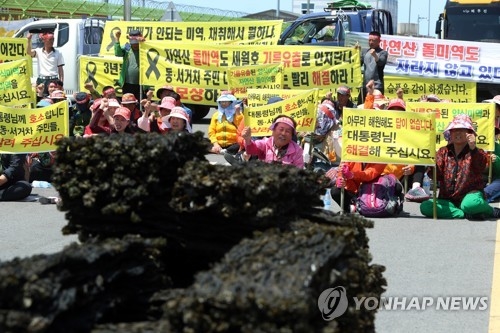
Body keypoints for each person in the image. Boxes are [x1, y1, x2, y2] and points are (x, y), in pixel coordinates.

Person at [420, 114, 500, 220]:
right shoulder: (442, 152)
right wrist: (431, 163)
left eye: (462, 130)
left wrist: (473, 148)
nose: (458, 133)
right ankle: (463, 213)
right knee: (425, 206)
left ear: (469, 133)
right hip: (447, 199)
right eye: (454, 130)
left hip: (470, 196)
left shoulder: (476, 151)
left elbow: (481, 166)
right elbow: (435, 176)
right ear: (450, 133)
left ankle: (491, 211)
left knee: (471, 204)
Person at [27, 31, 64, 97]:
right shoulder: (38, 51)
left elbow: (60, 69)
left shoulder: (58, 53)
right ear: (44, 40)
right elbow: (29, 52)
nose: (52, 42)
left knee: (55, 99)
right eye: (50, 40)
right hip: (42, 80)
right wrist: (29, 40)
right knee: (41, 99)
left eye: (53, 40)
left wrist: (61, 84)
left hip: (54, 80)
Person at [356, 31, 388, 102]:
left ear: (379, 41)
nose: (371, 42)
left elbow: (381, 63)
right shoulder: (365, 52)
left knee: (375, 108)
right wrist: (356, 52)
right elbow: (357, 64)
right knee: (360, 106)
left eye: (373, 40)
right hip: (365, 86)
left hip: (377, 86)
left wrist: (375, 55)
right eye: (369, 40)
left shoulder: (383, 53)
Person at [114, 29, 145, 102]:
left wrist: (144, 41)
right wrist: (117, 39)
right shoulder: (127, 48)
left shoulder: (144, 48)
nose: (135, 45)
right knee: (127, 102)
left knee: (140, 103)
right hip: (127, 83)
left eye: (136, 43)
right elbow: (118, 53)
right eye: (133, 43)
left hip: (141, 83)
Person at [484, 127, 500, 203]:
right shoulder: (473, 147)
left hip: (495, 179)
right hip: (477, 179)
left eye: (493, 134)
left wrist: (496, 160)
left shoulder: (498, 147)